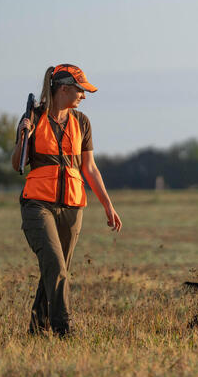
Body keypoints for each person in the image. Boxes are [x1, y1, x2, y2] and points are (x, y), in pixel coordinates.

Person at [11, 64, 122, 337]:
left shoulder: (82, 122)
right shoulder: (33, 117)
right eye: (80, 90)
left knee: (55, 270)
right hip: (38, 205)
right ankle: (64, 330)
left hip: (73, 207)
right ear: (63, 89)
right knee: (56, 267)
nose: (83, 96)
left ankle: (37, 329)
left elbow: (90, 168)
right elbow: (17, 164)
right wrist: (23, 134)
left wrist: (108, 205)